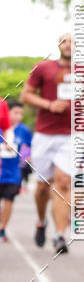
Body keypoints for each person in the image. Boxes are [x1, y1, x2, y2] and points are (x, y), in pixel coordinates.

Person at [21, 33, 73, 255]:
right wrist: (49, 105)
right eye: (65, 40)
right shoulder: (43, 68)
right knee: (43, 186)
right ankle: (41, 221)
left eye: (74, 41)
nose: (69, 44)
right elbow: (26, 95)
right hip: (44, 134)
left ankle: (60, 236)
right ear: (59, 44)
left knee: (63, 183)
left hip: (70, 135)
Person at [0, 100, 32, 241]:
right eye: (16, 113)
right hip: (1, 170)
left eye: (21, 114)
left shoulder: (24, 130)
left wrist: (25, 158)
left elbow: (28, 148)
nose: (19, 116)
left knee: (9, 201)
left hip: (13, 173)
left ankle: (2, 228)